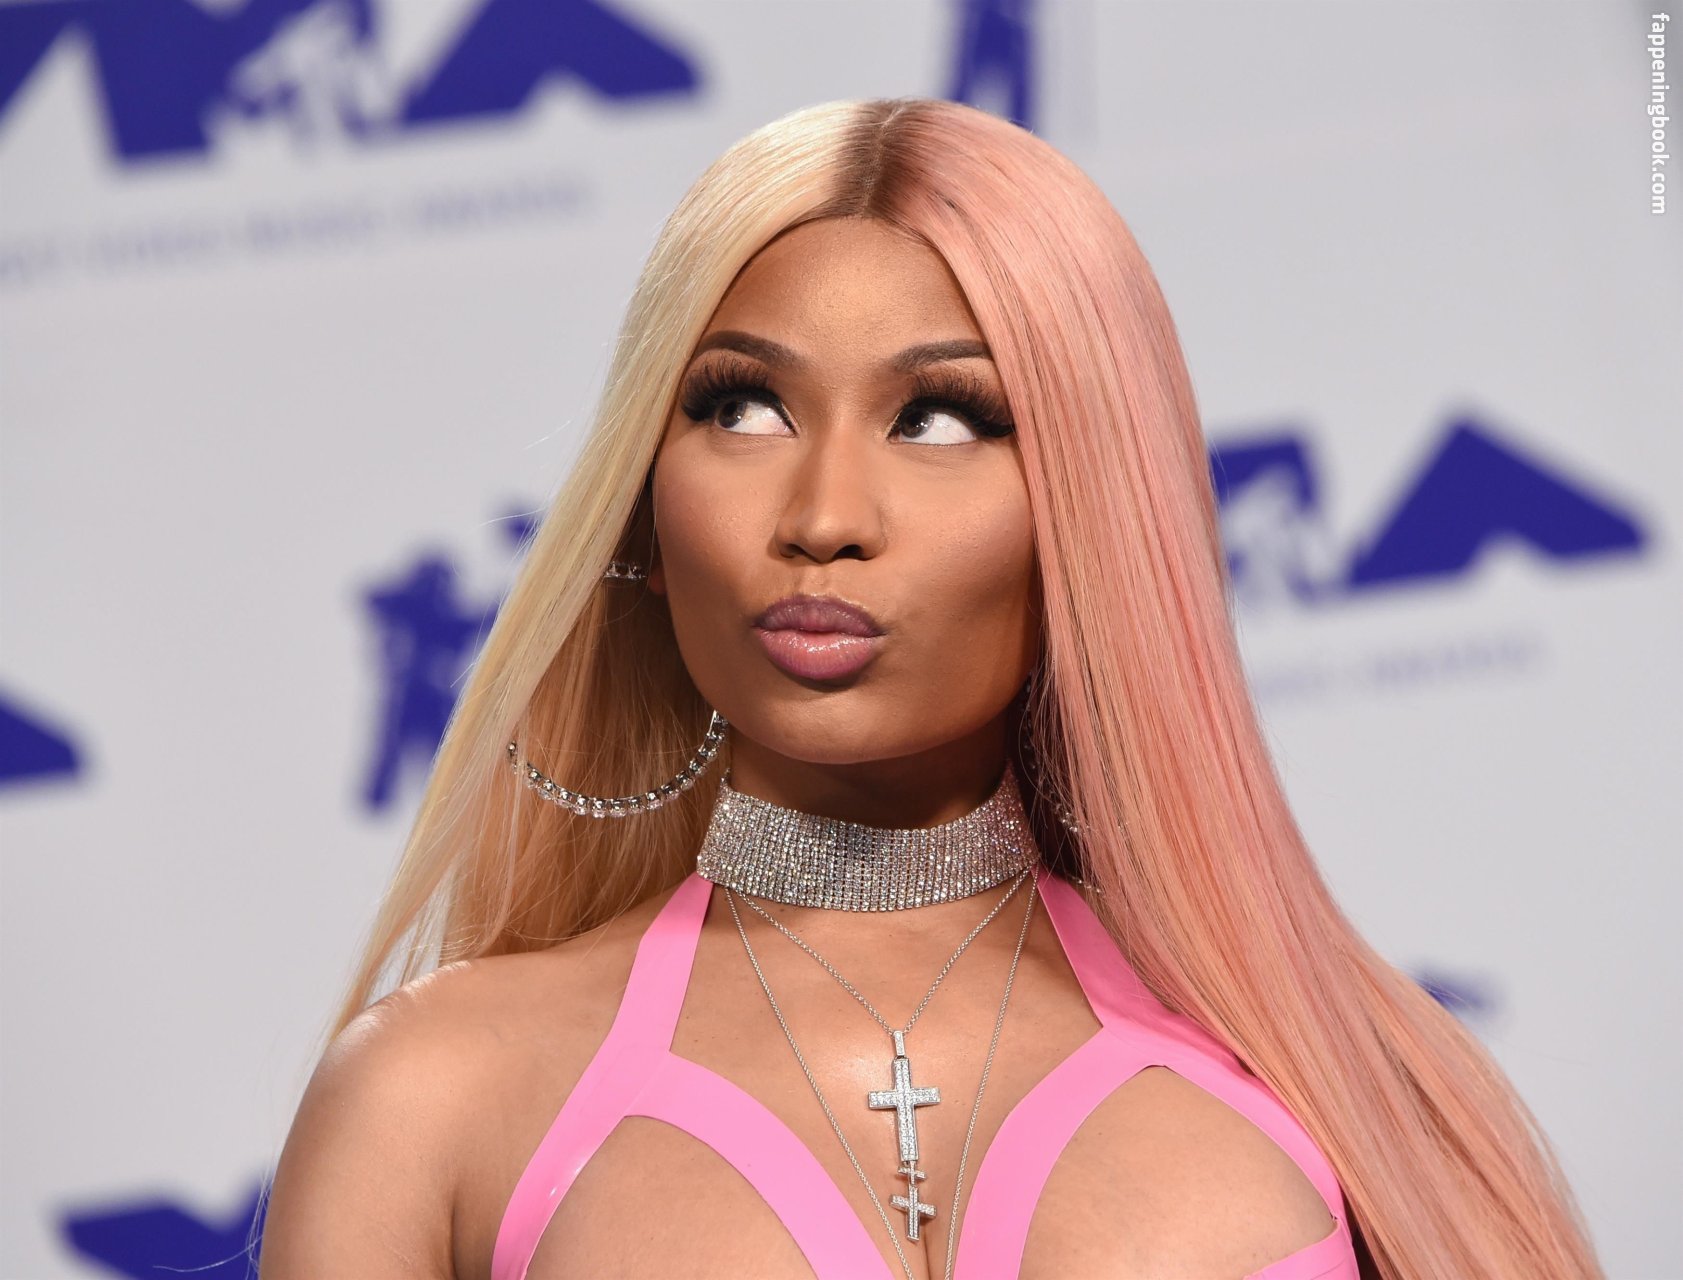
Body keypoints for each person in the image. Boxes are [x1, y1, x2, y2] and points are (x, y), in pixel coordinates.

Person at [258, 98, 1603, 1279]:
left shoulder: (1369, 1095)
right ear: (642, 515)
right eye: (742, 408)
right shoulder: (429, 1103)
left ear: (1094, 510)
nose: (824, 517)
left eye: (942, 418)